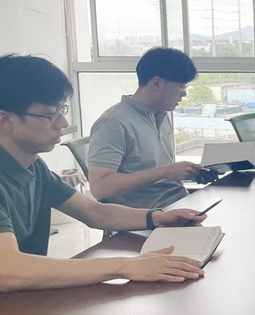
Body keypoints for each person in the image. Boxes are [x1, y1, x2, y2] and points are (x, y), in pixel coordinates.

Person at [0, 54, 205, 292]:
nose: (63, 123)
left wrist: (156, 217)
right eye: (50, 114)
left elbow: (93, 211)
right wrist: (125, 266)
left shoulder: (34, 167)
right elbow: (8, 270)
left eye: (62, 110)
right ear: (4, 120)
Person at [88, 47, 201, 209]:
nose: (184, 94)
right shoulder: (113, 123)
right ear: (156, 84)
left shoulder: (161, 113)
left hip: (177, 202)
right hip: (149, 214)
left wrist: (188, 172)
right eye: (181, 86)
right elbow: (100, 187)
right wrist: (165, 172)